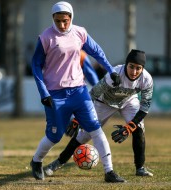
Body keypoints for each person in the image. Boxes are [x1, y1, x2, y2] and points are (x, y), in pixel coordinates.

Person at [30, 1, 125, 183]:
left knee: (95, 129)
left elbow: (97, 52)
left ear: (71, 17)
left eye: (65, 21)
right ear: (53, 19)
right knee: (55, 136)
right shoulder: (46, 38)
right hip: (55, 95)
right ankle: (36, 161)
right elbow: (35, 65)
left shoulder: (80, 33)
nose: (62, 25)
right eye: (58, 21)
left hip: (79, 92)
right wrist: (44, 93)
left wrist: (111, 71)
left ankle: (109, 171)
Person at [44, 49, 154, 177]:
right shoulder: (114, 74)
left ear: (143, 68)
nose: (134, 72)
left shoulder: (147, 79)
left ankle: (140, 167)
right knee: (84, 135)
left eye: (138, 68)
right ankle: (59, 162)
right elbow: (92, 94)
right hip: (104, 103)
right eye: (131, 66)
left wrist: (130, 127)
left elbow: (145, 107)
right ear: (126, 64)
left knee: (138, 129)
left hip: (128, 101)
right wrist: (78, 118)